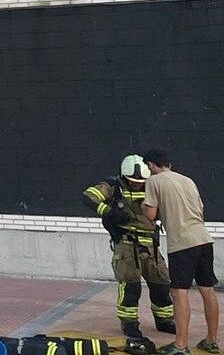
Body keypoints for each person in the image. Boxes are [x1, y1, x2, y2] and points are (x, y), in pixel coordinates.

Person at [85, 155, 176, 342]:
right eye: (132, 182)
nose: (137, 184)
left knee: (161, 283)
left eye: (140, 181)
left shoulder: (152, 185)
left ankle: (164, 320)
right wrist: (110, 212)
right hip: (126, 245)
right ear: (124, 176)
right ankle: (129, 323)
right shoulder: (113, 185)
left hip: (151, 244)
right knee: (130, 286)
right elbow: (89, 197)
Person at [143, 150, 218, 355]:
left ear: (151, 165)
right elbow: (200, 208)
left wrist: (145, 208)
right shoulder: (188, 180)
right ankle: (211, 341)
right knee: (207, 290)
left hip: (182, 243)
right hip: (203, 239)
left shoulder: (154, 181)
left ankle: (180, 345)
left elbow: (150, 214)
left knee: (179, 293)